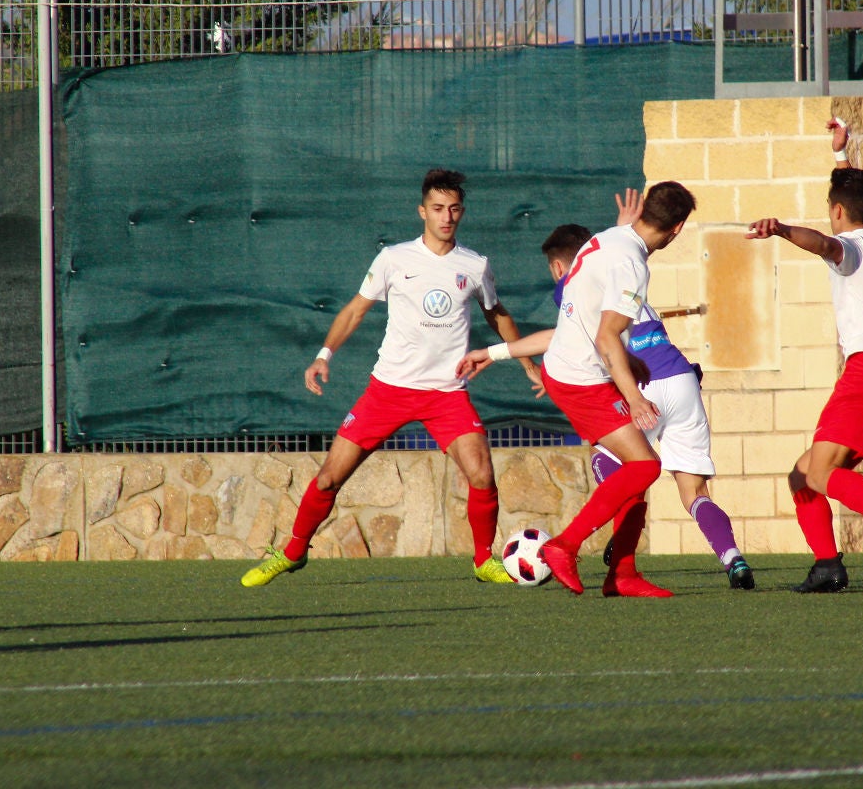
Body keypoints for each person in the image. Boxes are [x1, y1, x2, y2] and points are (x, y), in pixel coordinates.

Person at [241, 168, 535, 588]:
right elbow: (355, 310)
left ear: (462, 212)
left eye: (453, 209)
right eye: (437, 208)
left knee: (482, 475)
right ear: (422, 212)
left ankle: (484, 559)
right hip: (389, 391)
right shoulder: (394, 259)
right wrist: (324, 355)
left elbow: (496, 312)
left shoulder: (475, 265)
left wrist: (525, 363)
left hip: (446, 394)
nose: (446, 216)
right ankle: (291, 552)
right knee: (329, 477)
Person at [461, 196, 755, 590]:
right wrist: (634, 396)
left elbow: (575, 332)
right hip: (599, 379)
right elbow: (605, 336)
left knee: (636, 471)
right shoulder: (631, 266)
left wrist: (494, 351)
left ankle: (622, 574)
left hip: (585, 374)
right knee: (649, 469)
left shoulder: (603, 243)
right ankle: (568, 546)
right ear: (678, 229)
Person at [744, 117, 863, 592]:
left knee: (822, 472)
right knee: (803, 475)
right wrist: (840, 157)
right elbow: (855, 204)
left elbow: (827, 243)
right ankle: (827, 564)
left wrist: (782, 229)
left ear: (837, 211)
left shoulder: (846, 246)